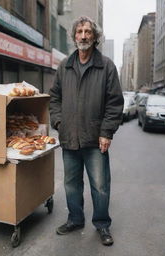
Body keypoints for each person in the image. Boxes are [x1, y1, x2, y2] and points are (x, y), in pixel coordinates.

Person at [49, 16, 124, 246]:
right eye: (79, 31)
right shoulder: (65, 66)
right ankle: (75, 219)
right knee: (71, 184)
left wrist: (106, 132)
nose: (83, 36)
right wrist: (59, 123)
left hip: (95, 140)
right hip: (69, 138)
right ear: (74, 37)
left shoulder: (106, 66)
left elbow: (114, 103)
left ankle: (102, 224)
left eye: (88, 32)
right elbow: (54, 98)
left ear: (95, 37)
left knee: (100, 185)